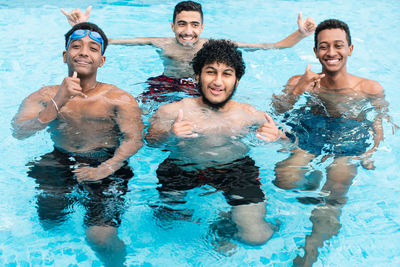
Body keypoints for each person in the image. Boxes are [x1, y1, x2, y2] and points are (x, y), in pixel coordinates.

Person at [12, 22, 144, 266]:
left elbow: (134, 139)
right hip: (59, 159)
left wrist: (107, 167)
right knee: (51, 222)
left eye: (93, 48)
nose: (83, 52)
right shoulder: (44, 96)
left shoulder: (119, 98)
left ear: (101, 60)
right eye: (76, 46)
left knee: (100, 239)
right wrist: (57, 101)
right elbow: (19, 132)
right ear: (65, 56)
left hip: (106, 162)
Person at [146, 39, 288, 246]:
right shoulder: (172, 111)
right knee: (165, 221)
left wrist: (278, 137)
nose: (218, 82)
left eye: (227, 74)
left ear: (237, 80)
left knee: (256, 236)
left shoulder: (248, 114)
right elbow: (151, 142)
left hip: (234, 169)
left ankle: (224, 222)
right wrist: (170, 133)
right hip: (182, 166)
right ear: (197, 76)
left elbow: (290, 144)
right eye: (211, 72)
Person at [271, 19, 390, 266]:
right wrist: (300, 89)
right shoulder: (300, 81)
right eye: (324, 46)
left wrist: (371, 151)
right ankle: (311, 186)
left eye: (338, 45)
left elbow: (379, 121)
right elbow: (279, 111)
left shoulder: (369, 88)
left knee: (335, 188)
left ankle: (312, 245)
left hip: (351, 138)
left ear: (350, 49)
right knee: (284, 177)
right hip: (312, 131)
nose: (331, 53)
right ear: (315, 52)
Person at [61, 1, 316, 102]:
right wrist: (80, 28)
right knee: (138, 108)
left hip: (199, 86)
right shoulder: (160, 42)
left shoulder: (212, 46)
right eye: (182, 24)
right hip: (166, 83)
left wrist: (301, 34)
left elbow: (271, 47)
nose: (187, 31)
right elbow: (109, 41)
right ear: (173, 26)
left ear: (202, 27)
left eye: (194, 25)